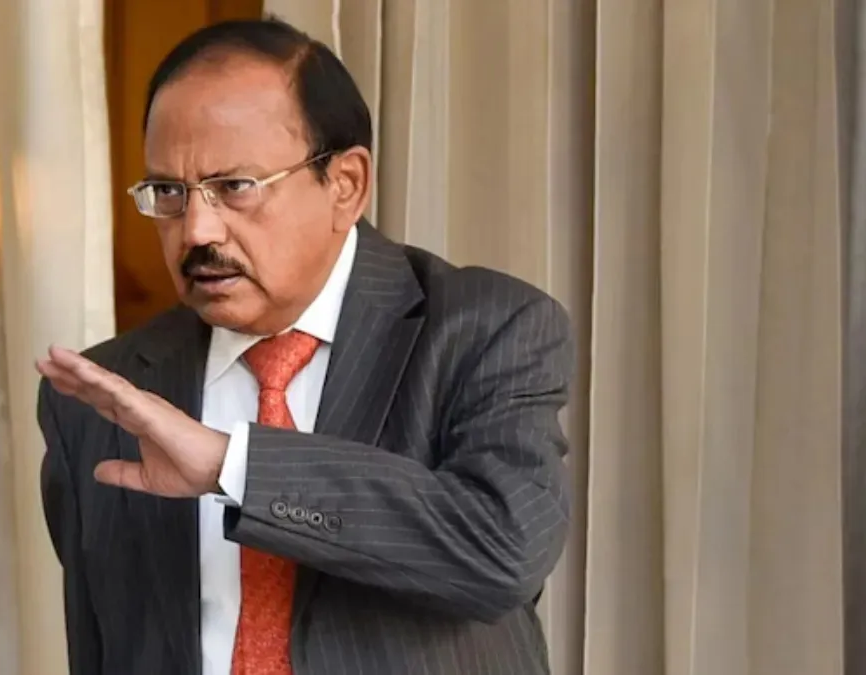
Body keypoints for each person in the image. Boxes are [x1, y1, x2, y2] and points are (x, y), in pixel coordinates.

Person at [36, 16, 573, 675]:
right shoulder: (105, 394)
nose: (197, 230)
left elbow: (503, 548)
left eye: (234, 187)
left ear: (345, 184)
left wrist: (233, 467)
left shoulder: (484, 328)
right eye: (170, 192)